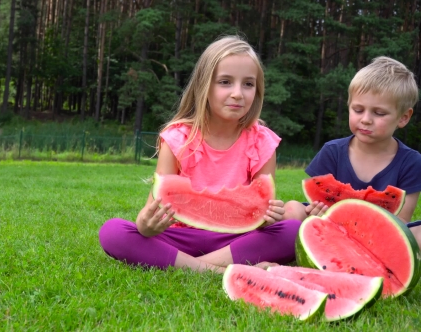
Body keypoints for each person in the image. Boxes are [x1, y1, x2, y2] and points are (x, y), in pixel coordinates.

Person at [98, 36, 302, 273]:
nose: (238, 93)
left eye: (248, 84)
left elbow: (261, 212)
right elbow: (151, 212)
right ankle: (216, 270)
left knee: (292, 231)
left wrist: (268, 217)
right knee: (112, 232)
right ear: (204, 85)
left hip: (234, 239)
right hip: (179, 237)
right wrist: (146, 225)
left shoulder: (262, 142)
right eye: (225, 82)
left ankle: (186, 266)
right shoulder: (177, 139)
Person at [283, 56, 421, 250]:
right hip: (331, 227)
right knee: (292, 209)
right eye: (358, 110)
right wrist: (317, 212)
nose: (365, 119)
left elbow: (400, 220)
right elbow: (319, 206)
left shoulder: (412, 161)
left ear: (403, 117)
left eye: (379, 113)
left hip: (380, 236)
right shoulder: (332, 151)